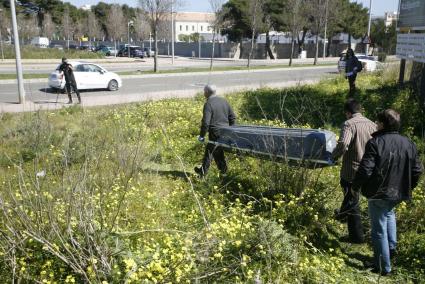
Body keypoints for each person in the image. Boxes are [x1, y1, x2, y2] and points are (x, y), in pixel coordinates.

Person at [352, 109, 423, 276]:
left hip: (379, 192)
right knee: (389, 215)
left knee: (378, 230)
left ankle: (383, 267)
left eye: (377, 122)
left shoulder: (376, 142)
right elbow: (417, 170)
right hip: (398, 192)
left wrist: (355, 186)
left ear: (382, 124)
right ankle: (390, 251)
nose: (375, 124)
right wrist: (408, 187)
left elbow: (366, 170)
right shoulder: (409, 143)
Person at [331, 99, 376, 243]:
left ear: (348, 113)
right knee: (355, 199)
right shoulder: (373, 124)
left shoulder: (349, 124)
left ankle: (356, 237)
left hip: (352, 170)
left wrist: (334, 157)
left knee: (352, 200)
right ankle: (342, 215)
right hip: (370, 169)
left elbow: (343, 143)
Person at [194, 85, 236, 177]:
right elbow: (232, 117)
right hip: (225, 131)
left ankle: (202, 174)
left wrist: (201, 136)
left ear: (207, 92)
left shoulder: (208, 103)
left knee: (210, 152)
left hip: (214, 132)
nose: (203, 93)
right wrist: (230, 130)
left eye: (204, 91)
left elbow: (205, 123)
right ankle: (223, 172)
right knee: (217, 151)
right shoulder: (224, 101)